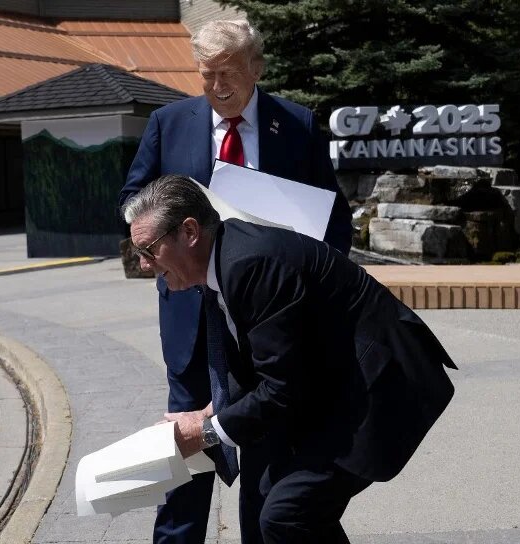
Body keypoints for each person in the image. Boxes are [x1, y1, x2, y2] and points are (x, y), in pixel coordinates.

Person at [122, 175, 457, 544]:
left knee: (287, 514)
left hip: (378, 386)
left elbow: (282, 389)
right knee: (277, 501)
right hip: (330, 382)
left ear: (189, 232)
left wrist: (203, 432)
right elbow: (262, 362)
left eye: (149, 249)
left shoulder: (250, 266)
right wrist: (207, 412)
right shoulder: (223, 262)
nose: (142, 263)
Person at [118, 19, 352, 544]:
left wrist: (311, 281)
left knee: (270, 444)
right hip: (190, 315)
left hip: (269, 315)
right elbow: (131, 200)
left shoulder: (296, 125)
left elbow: (335, 221)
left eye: (229, 73)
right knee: (186, 449)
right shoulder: (168, 122)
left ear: (257, 69)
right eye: (206, 76)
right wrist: (159, 237)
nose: (218, 87)